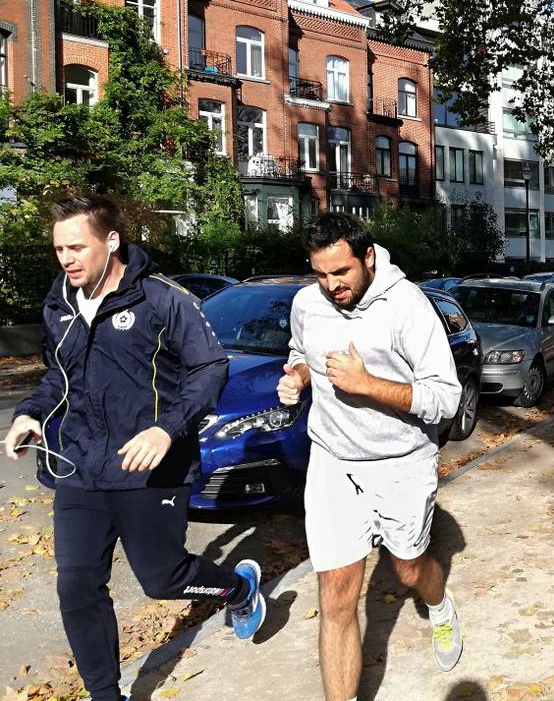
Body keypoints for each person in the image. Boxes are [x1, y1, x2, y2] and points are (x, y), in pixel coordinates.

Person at [3, 195, 264, 701]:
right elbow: (59, 377)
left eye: (77, 247)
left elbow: (210, 367)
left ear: (112, 241)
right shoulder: (59, 302)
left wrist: (167, 429)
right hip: (78, 467)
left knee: (163, 580)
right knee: (76, 587)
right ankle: (107, 695)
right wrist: (29, 414)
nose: (66, 259)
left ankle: (236, 588)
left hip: (149, 468)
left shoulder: (162, 298)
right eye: (59, 249)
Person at [276, 213, 464, 701]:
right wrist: (298, 375)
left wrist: (368, 385)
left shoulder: (408, 307)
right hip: (333, 458)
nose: (331, 285)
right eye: (321, 274)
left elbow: (445, 398)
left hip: (400, 461)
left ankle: (439, 604)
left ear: (369, 257)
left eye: (341, 273)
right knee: (336, 593)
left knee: (408, 569)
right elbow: (301, 349)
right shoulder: (306, 303)